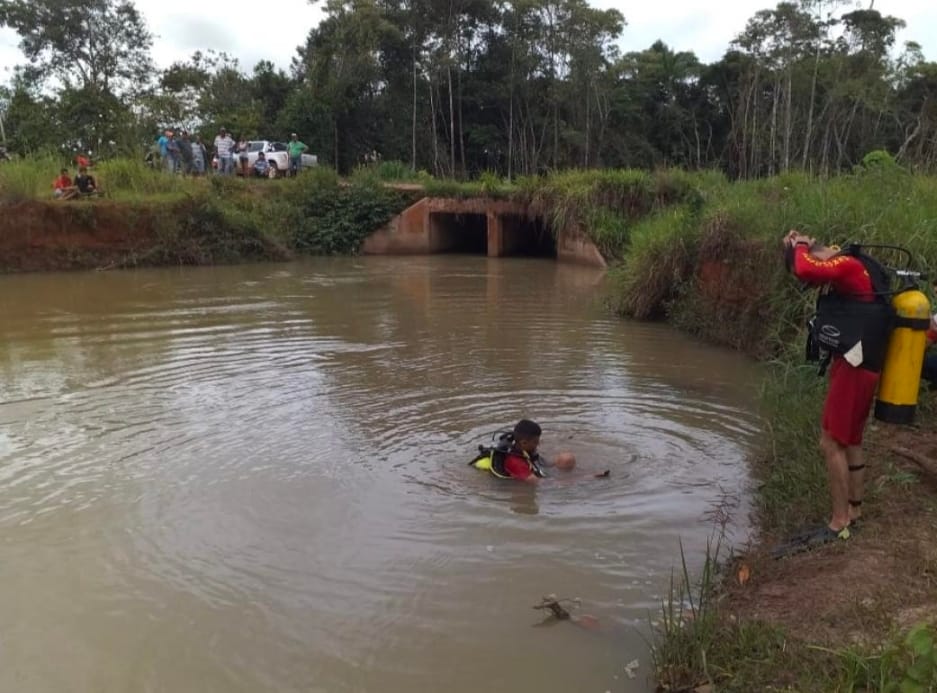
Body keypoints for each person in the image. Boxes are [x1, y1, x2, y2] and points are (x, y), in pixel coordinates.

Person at [783, 230, 893, 544]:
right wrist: (803, 248)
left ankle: (839, 521)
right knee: (851, 439)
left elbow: (806, 269)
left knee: (830, 442)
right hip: (862, 361)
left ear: (819, 253)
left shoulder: (846, 265)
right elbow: (809, 271)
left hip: (854, 365)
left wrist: (799, 246)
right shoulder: (856, 267)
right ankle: (854, 511)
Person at [470, 419, 549, 481]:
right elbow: (536, 482)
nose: (538, 444)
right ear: (524, 443)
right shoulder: (517, 464)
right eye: (535, 442)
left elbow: (544, 463)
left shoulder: (522, 448)